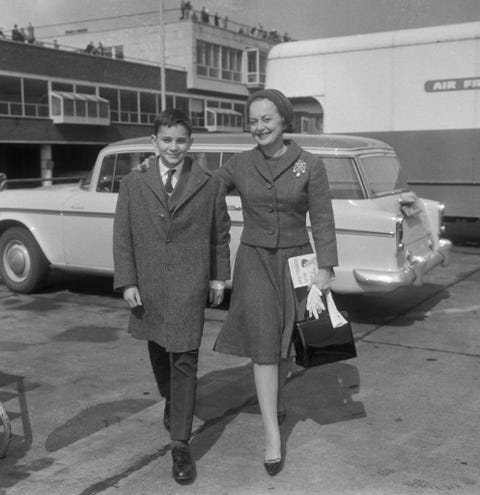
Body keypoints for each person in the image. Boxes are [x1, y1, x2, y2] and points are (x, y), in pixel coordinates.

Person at [213, 89, 338, 476]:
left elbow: (322, 219)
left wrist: (325, 268)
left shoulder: (310, 165)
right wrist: (167, 171)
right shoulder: (239, 164)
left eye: (266, 119)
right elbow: (205, 186)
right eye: (253, 121)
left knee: (285, 340)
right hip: (255, 262)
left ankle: (276, 399)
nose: (259, 127)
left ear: (284, 120)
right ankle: (271, 433)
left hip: (297, 263)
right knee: (265, 344)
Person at [113, 108, 230, 484]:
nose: (173, 147)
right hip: (147, 284)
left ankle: (180, 443)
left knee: (184, 357)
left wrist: (218, 278)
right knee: (158, 348)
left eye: (180, 140)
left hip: (189, 283)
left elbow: (220, 234)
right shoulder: (134, 183)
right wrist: (127, 281)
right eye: (166, 140)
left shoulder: (208, 182)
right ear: (154, 142)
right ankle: (172, 399)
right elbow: (123, 235)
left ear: (190, 143)